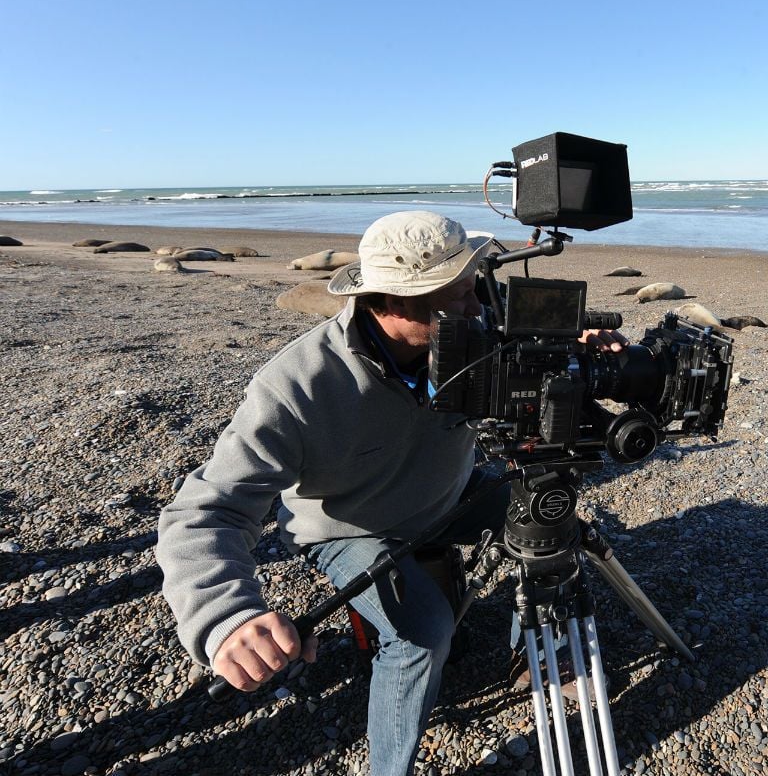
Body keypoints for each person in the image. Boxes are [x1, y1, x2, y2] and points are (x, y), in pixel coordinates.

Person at [156, 210, 622, 774]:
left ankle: (539, 653)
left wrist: (577, 352)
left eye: (476, 289)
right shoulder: (299, 385)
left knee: (554, 525)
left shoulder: (474, 329)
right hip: (352, 526)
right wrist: (225, 615)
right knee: (422, 639)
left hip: (453, 493)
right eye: (460, 297)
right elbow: (206, 510)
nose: (480, 309)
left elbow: (536, 362)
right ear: (397, 304)